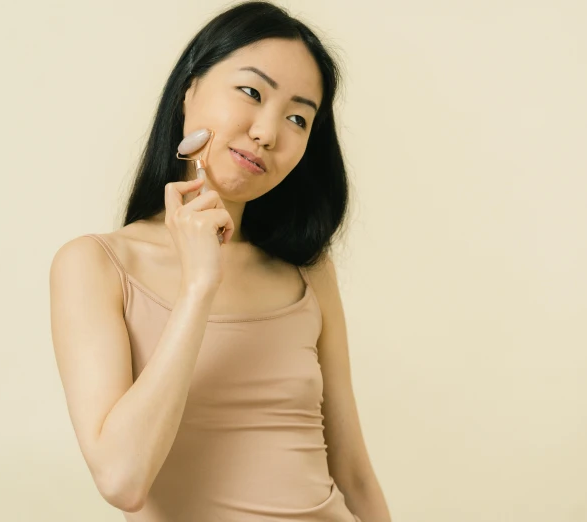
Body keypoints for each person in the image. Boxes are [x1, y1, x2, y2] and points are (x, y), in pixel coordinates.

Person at [49, 2, 391, 520]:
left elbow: (355, 473)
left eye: (298, 118)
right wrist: (197, 288)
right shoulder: (95, 265)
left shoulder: (308, 270)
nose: (267, 133)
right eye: (252, 93)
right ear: (190, 89)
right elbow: (122, 479)